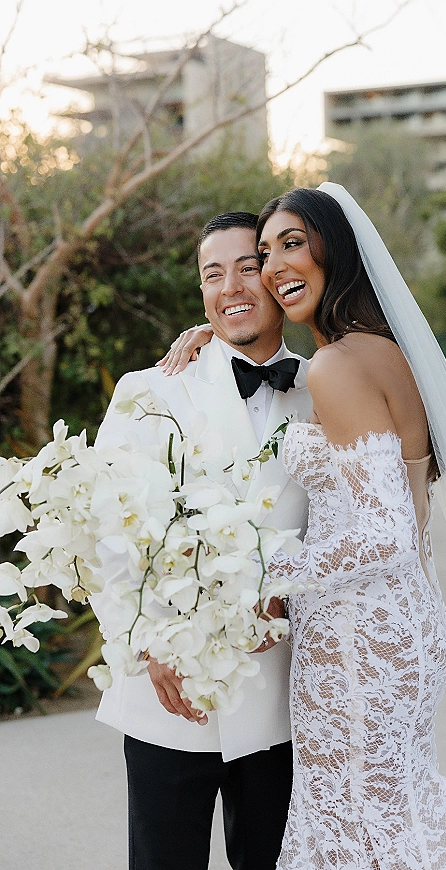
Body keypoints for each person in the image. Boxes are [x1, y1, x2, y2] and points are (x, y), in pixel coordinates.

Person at [163, 185, 446, 868]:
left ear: (337, 247)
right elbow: (401, 512)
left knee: (365, 830)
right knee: (396, 816)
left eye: (292, 244)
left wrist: (260, 574)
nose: (272, 267)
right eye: (264, 253)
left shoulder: (336, 365)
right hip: (401, 624)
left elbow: (383, 533)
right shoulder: (382, 351)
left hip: (358, 639)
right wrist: (216, 336)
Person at [90, 211, 312, 870]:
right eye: (213, 275)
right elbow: (110, 532)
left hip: (279, 699)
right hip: (169, 692)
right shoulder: (151, 388)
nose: (231, 286)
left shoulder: (323, 390)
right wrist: (148, 640)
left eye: (247, 266)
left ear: (276, 274)